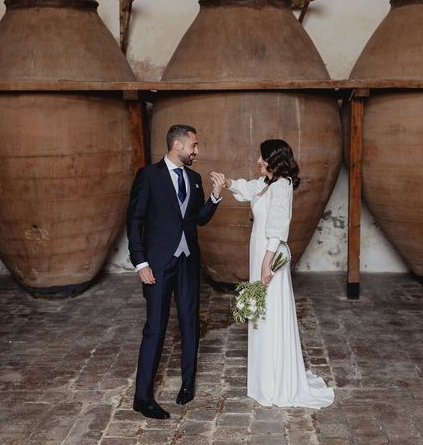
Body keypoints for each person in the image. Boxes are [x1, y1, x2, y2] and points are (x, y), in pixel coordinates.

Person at [224, 139, 334, 408]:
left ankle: (274, 382)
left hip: (269, 254)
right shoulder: (266, 184)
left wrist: (266, 262)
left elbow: (278, 226)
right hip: (259, 251)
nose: (258, 162)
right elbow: (246, 188)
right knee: (261, 312)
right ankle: (264, 378)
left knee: (270, 312)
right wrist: (226, 182)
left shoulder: (282, 187)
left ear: (273, 161)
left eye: (262, 158)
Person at [127, 124, 225, 419]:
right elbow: (134, 221)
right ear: (178, 145)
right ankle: (142, 398)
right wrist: (140, 263)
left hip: (187, 262)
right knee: (155, 328)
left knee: (189, 322)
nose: (197, 151)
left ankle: (187, 384)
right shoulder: (149, 176)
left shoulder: (194, 179)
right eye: (194, 145)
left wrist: (216, 197)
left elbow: (198, 220)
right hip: (157, 264)